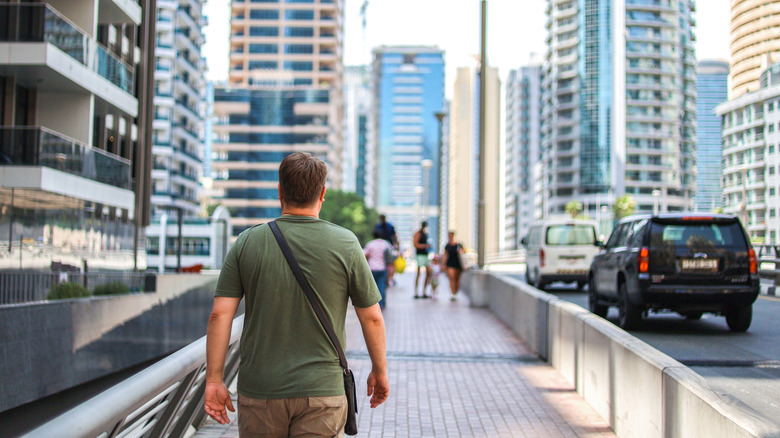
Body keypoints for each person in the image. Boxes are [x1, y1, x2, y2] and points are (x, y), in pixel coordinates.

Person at [204, 152, 389, 437]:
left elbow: (220, 315)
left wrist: (214, 379)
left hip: (261, 389)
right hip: (322, 391)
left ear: (280, 191)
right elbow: (373, 319)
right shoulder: (346, 243)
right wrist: (380, 370)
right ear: (323, 193)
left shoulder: (248, 242)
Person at [364, 230, 394, 309]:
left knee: (372, 287)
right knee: (381, 286)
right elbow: (390, 256)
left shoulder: (370, 244)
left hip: (372, 268)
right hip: (382, 268)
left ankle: (372, 304)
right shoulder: (386, 244)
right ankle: (380, 304)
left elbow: (365, 255)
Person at [374, 215, 399, 286]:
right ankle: (387, 279)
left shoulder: (389, 226)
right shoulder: (379, 226)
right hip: (382, 247)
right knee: (388, 264)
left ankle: (389, 279)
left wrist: (396, 246)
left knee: (391, 264)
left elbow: (394, 236)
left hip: (388, 247)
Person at [441, 231, 464, 301]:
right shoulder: (447, 245)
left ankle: (455, 292)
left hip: (458, 263)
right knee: (452, 278)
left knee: (457, 279)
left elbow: (463, 253)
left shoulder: (459, 245)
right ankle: (452, 293)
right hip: (450, 263)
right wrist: (443, 264)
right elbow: (445, 255)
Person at [412, 221, 432, 299]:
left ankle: (424, 291)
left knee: (428, 272)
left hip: (425, 254)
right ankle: (416, 291)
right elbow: (415, 244)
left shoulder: (426, 234)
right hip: (420, 255)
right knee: (419, 272)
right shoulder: (418, 233)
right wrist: (424, 246)